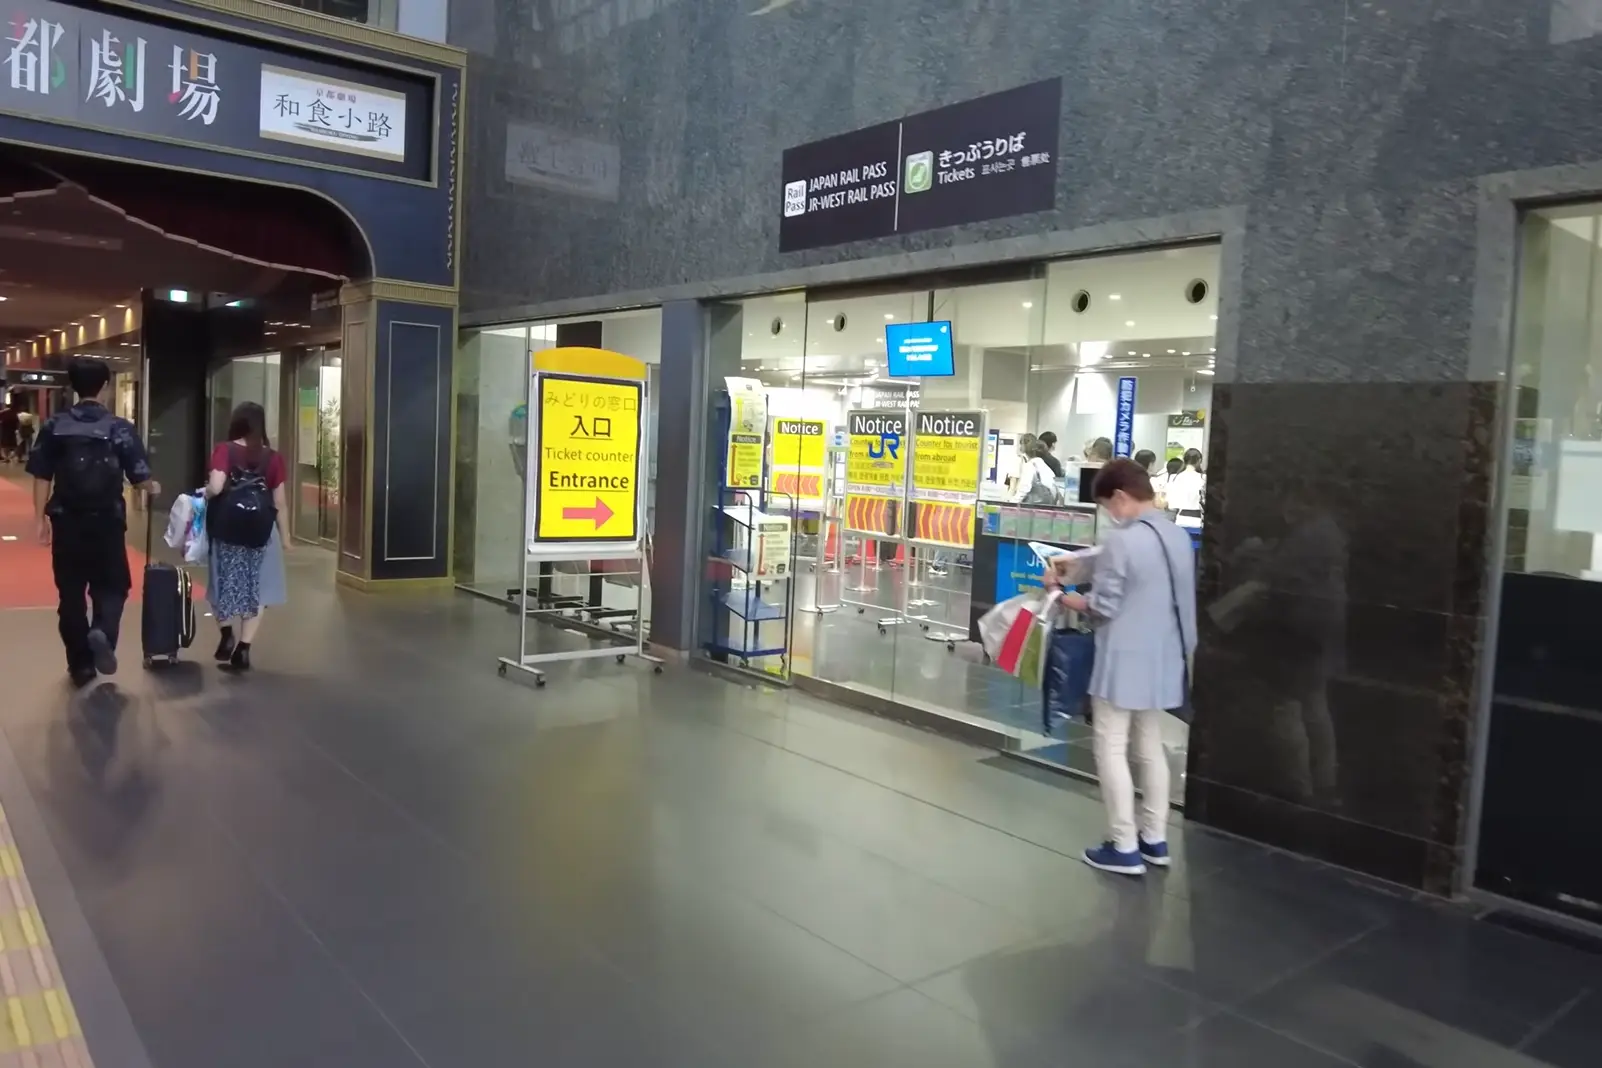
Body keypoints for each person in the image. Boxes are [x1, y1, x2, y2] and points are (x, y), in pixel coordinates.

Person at [1055, 458, 1196, 876]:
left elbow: (1101, 607)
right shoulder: (1176, 535)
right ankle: (1155, 838)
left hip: (1123, 661)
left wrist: (1061, 595)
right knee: (1150, 746)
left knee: (1111, 746)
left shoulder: (1122, 540)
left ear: (1119, 496)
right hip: (1165, 657)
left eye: (1106, 506)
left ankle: (1124, 845)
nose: (1108, 516)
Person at [27, 357, 159, 686]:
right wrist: (152, 487)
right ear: (104, 387)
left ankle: (80, 665)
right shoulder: (119, 428)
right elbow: (140, 477)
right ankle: (102, 631)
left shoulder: (55, 426)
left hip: (67, 522)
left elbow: (42, 474)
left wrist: (39, 518)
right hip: (107, 522)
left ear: (73, 386)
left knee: (70, 595)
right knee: (113, 586)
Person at [206, 402, 289, 672]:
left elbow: (217, 487)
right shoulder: (272, 457)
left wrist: (203, 494)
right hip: (262, 531)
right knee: (258, 589)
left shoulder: (224, 449)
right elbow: (281, 502)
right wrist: (286, 538)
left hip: (228, 528)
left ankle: (226, 632)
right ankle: (243, 650)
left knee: (222, 582)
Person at [1015, 439, 1061, 505]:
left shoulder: (1030, 465)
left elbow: (1024, 489)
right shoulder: (1045, 467)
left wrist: (1012, 503)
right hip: (1047, 506)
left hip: (1032, 506)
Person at [1166, 448, 1206, 519]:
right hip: (1197, 518)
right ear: (1199, 460)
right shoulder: (1202, 478)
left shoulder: (1175, 477)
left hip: (1180, 518)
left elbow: (1171, 506)